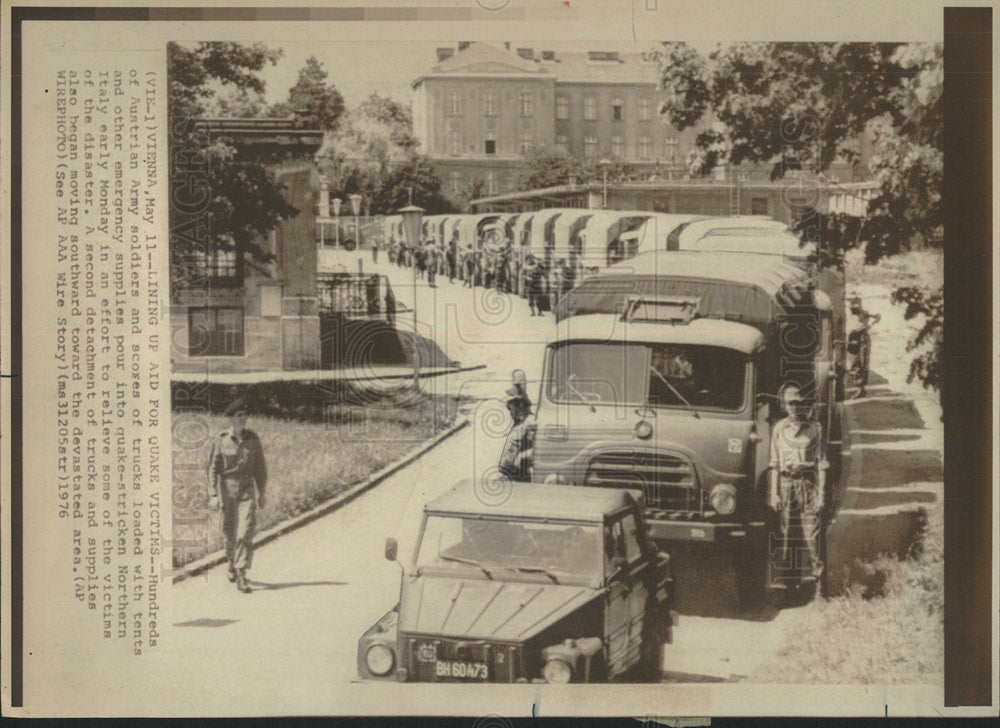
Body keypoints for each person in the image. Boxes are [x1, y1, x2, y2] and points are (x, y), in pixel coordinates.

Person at [768, 384, 828, 598]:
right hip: (786, 486)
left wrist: (821, 493)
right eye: (790, 403)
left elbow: (821, 464)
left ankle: (820, 585)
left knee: (811, 536)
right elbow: (774, 464)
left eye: (799, 403)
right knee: (786, 537)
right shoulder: (778, 429)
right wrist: (773, 494)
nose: (795, 407)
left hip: (807, 485)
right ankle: (788, 587)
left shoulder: (815, 429)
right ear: (784, 405)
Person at [206, 397, 268, 594]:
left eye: (245, 415)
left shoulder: (253, 439)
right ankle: (231, 562)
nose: (243, 419)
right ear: (231, 418)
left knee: (245, 531)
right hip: (227, 489)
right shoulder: (221, 439)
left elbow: (260, 467)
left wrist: (262, 492)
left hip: (247, 489)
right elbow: (212, 469)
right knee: (229, 532)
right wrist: (213, 494)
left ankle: (242, 573)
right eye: (239, 416)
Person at [497, 372, 533, 481]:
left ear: (520, 405)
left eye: (510, 407)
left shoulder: (528, 424)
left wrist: (522, 456)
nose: (509, 410)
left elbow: (540, 450)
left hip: (521, 480)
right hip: (511, 476)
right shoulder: (519, 423)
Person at [846, 294, 881, 398]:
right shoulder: (851, 314)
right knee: (852, 363)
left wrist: (869, 324)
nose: (854, 308)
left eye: (856, 305)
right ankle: (859, 388)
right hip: (853, 339)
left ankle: (861, 389)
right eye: (852, 305)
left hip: (862, 340)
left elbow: (878, 317)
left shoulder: (863, 314)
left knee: (861, 364)